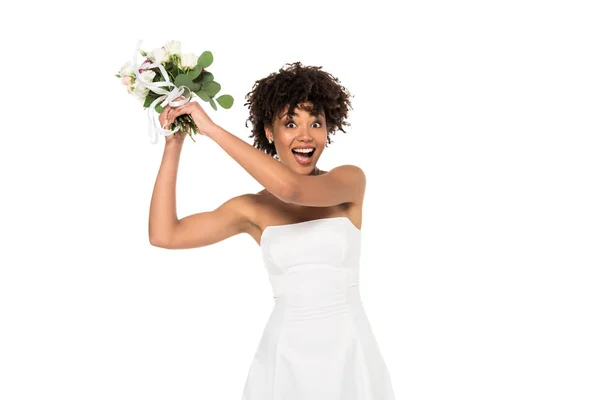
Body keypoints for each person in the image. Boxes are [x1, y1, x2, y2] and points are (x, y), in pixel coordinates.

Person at [149, 62, 396, 399]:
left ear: (328, 129)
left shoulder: (348, 181)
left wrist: (212, 129)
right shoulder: (253, 208)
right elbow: (165, 234)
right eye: (290, 123)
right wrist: (174, 142)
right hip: (285, 357)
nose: (305, 135)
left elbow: (292, 190)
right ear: (269, 131)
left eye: (316, 123)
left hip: (349, 353)